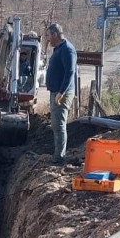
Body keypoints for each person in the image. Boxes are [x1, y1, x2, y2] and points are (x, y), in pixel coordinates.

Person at [44, 23, 77, 164]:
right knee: (56, 125)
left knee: (59, 126)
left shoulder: (67, 50)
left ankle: (59, 158)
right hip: (56, 92)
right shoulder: (59, 49)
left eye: (48, 35)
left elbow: (70, 72)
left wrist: (61, 92)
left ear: (55, 35)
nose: (47, 39)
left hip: (62, 93)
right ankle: (58, 155)